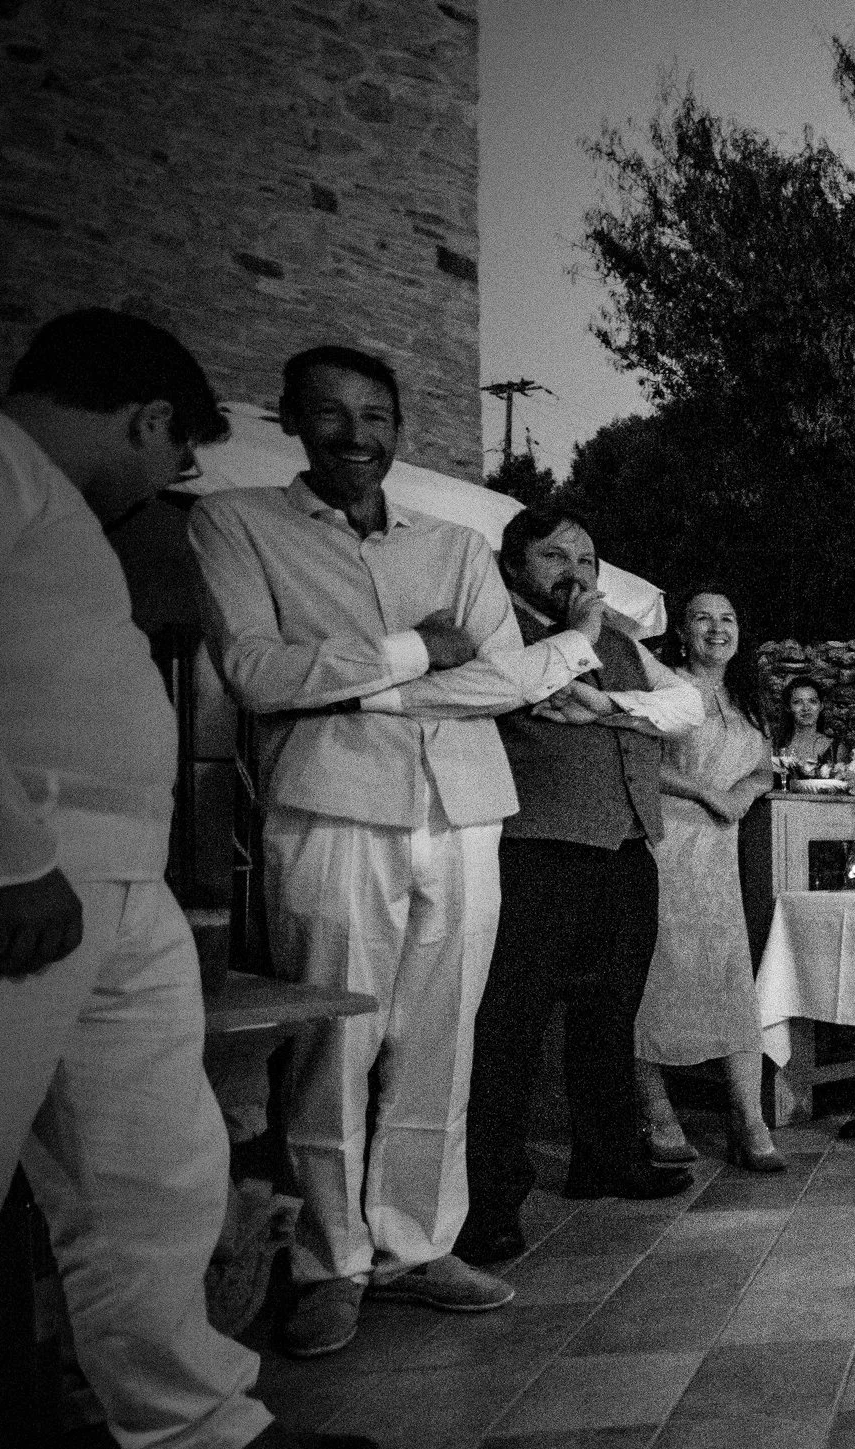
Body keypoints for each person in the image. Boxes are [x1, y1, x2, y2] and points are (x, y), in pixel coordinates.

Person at [0, 309, 371, 1449]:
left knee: (153, 1169)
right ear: (149, 419)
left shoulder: (39, 493)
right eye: (171, 456)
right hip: (19, 880)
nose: (161, 484)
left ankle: (188, 1421)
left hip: (112, 882)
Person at [191, 345, 606, 1359]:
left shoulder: (457, 547)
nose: (356, 434)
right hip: (333, 810)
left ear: (398, 426)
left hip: (463, 809)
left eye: (375, 414)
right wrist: (420, 652)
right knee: (336, 1048)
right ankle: (328, 1263)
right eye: (331, 413)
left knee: (440, 1042)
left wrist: (358, 686)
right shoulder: (236, 523)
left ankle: (416, 1245)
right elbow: (253, 671)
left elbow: (506, 682)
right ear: (292, 418)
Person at [456, 509, 703, 1265]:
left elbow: (687, 708)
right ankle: (488, 1202)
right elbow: (512, 697)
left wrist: (614, 706)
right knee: (510, 1033)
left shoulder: (620, 639)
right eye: (554, 554)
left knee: (609, 1016)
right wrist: (591, 655)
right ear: (512, 564)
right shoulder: (498, 635)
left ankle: (607, 1158)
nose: (576, 569)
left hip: (627, 850)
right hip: (537, 851)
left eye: (588, 556)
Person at [633, 586, 781, 1172]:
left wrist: (742, 793)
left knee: (728, 979)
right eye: (703, 619)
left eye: (728, 617)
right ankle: (658, 1113)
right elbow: (638, 758)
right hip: (667, 842)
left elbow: (765, 765)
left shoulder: (748, 697)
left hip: (720, 854)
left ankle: (750, 1121)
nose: (717, 629)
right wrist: (703, 791)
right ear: (682, 630)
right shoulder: (664, 684)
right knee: (657, 976)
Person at [773, 678, 839, 772]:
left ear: (821, 705)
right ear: (788, 707)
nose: (806, 708)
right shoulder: (776, 745)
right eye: (797, 702)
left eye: (812, 701)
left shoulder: (835, 749)